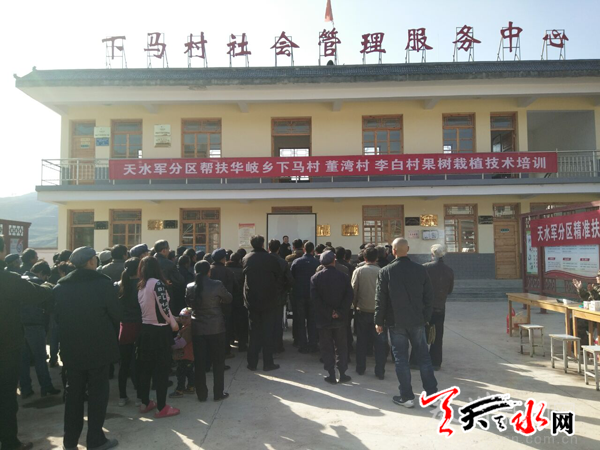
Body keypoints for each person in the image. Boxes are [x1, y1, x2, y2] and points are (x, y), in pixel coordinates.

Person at [53, 246, 121, 450]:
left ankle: (70, 441)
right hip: (99, 349)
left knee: (73, 396)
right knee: (98, 395)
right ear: (91, 261)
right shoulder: (103, 284)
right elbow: (117, 314)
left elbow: (57, 318)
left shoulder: (60, 287)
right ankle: (95, 439)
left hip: (72, 349)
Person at [0, 236, 52, 450]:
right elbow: (36, 294)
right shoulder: (7, 279)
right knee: (6, 397)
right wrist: (48, 284)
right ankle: (9, 442)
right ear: (2, 252)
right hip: (6, 345)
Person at [375, 238, 437, 408]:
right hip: (417, 320)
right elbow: (429, 296)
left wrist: (379, 321)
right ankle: (432, 396)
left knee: (401, 360)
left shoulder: (386, 271)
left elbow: (380, 299)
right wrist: (426, 317)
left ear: (393, 251)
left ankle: (407, 397)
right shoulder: (420, 270)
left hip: (396, 322)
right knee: (424, 358)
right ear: (407, 249)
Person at [136, 256, 180, 419]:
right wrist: (174, 323)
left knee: (145, 370)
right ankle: (162, 407)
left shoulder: (141, 285)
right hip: (160, 332)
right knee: (161, 371)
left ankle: (145, 402)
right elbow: (163, 307)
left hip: (145, 331)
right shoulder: (157, 284)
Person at [187, 261, 232, 401]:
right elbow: (228, 298)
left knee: (199, 363)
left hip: (197, 328)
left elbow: (188, 303)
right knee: (218, 362)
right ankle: (218, 393)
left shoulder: (190, 287)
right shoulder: (216, 284)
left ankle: (201, 394)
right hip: (216, 327)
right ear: (209, 272)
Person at [310, 251, 354, 384]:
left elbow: (315, 300)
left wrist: (328, 312)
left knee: (326, 346)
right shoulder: (343, 277)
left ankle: (331, 373)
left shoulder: (315, 278)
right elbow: (349, 296)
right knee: (341, 346)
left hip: (323, 319)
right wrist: (339, 312)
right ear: (334, 260)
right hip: (340, 319)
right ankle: (342, 372)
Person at [19, 261, 61, 399]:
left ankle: (25, 389)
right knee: (40, 358)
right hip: (35, 323)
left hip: (19, 324)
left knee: (23, 359)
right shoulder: (40, 284)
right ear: (42, 273)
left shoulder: (20, 279)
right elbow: (49, 307)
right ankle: (46, 386)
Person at [242, 235, 283, 371]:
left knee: (253, 332)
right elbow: (278, 276)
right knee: (268, 332)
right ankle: (268, 363)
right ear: (263, 244)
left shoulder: (247, 258)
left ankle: (252, 363)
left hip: (252, 299)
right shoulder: (270, 259)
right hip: (269, 299)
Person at [351, 246, 387, 379]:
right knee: (380, 343)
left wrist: (355, 305)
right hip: (379, 313)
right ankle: (380, 371)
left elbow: (353, 291)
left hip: (362, 311)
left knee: (361, 341)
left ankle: (360, 368)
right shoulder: (383, 271)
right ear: (376, 258)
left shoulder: (359, 271)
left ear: (364, 258)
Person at [421, 244, 454, 370]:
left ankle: (418, 360)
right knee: (438, 335)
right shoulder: (449, 270)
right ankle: (435, 362)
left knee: (421, 334)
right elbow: (450, 290)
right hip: (440, 306)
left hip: (425, 307)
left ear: (432, 254)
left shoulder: (425, 268)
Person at [115, 257, 142, 407]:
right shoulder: (141, 285)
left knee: (124, 364)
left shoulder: (118, 285)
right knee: (138, 363)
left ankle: (122, 396)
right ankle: (140, 396)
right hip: (139, 326)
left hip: (124, 327)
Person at [290, 241, 320, 353]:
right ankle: (313, 344)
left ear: (304, 249)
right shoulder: (317, 262)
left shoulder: (296, 262)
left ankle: (302, 344)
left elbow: (291, 277)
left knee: (300, 320)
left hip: (299, 294)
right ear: (313, 250)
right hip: (312, 295)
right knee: (312, 320)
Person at [268, 239, 294, 353]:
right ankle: (278, 346)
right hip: (279, 295)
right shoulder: (283, 262)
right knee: (277, 322)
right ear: (278, 249)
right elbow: (290, 280)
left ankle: (266, 345)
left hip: (264, 295)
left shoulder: (263, 260)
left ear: (269, 248)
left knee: (265, 322)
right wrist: (285, 290)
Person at [210, 248, 236, 358]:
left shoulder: (209, 270)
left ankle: (212, 351)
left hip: (209, 304)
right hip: (225, 304)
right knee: (225, 327)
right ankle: (225, 350)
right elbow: (233, 288)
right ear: (223, 259)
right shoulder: (228, 271)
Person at [169, 307, 195, 398]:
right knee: (189, 372)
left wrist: (171, 344)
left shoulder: (188, 330)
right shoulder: (186, 327)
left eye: (186, 318)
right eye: (181, 317)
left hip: (185, 356)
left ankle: (180, 390)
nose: (183, 320)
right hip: (188, 356)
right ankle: (191, 387)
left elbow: (181, 343)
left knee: (180, 374)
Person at [226, 253, 248, 352]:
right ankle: (242, 344)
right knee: (241, 323)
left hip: (227, 300)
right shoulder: (242, 270)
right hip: (240, 300)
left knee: (229, 322)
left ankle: (230, 340)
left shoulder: (226, 270)